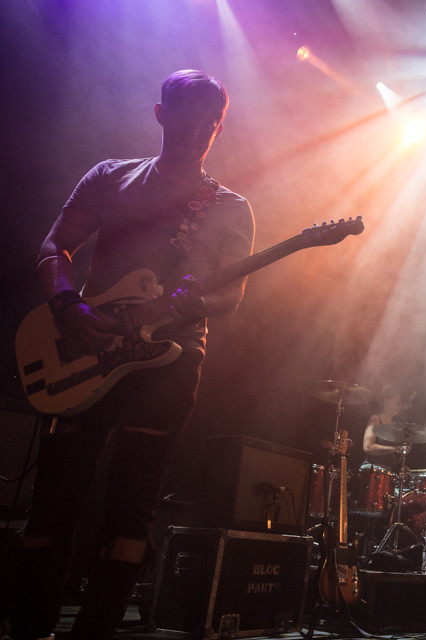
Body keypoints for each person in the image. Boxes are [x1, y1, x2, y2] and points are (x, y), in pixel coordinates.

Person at [8, 70, 254, 640]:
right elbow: (55, 246)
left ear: (219, 127)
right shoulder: (109, 177)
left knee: (131, 509)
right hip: (84, 346)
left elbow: (230, 297)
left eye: (208, 124)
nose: (196, 132)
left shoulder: (230, 206)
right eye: (185, 118)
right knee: (54, 498)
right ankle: (30, 627)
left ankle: (96, 629)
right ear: (159, 114)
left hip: (170, 361)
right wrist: (68, 306)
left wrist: (196, 302)